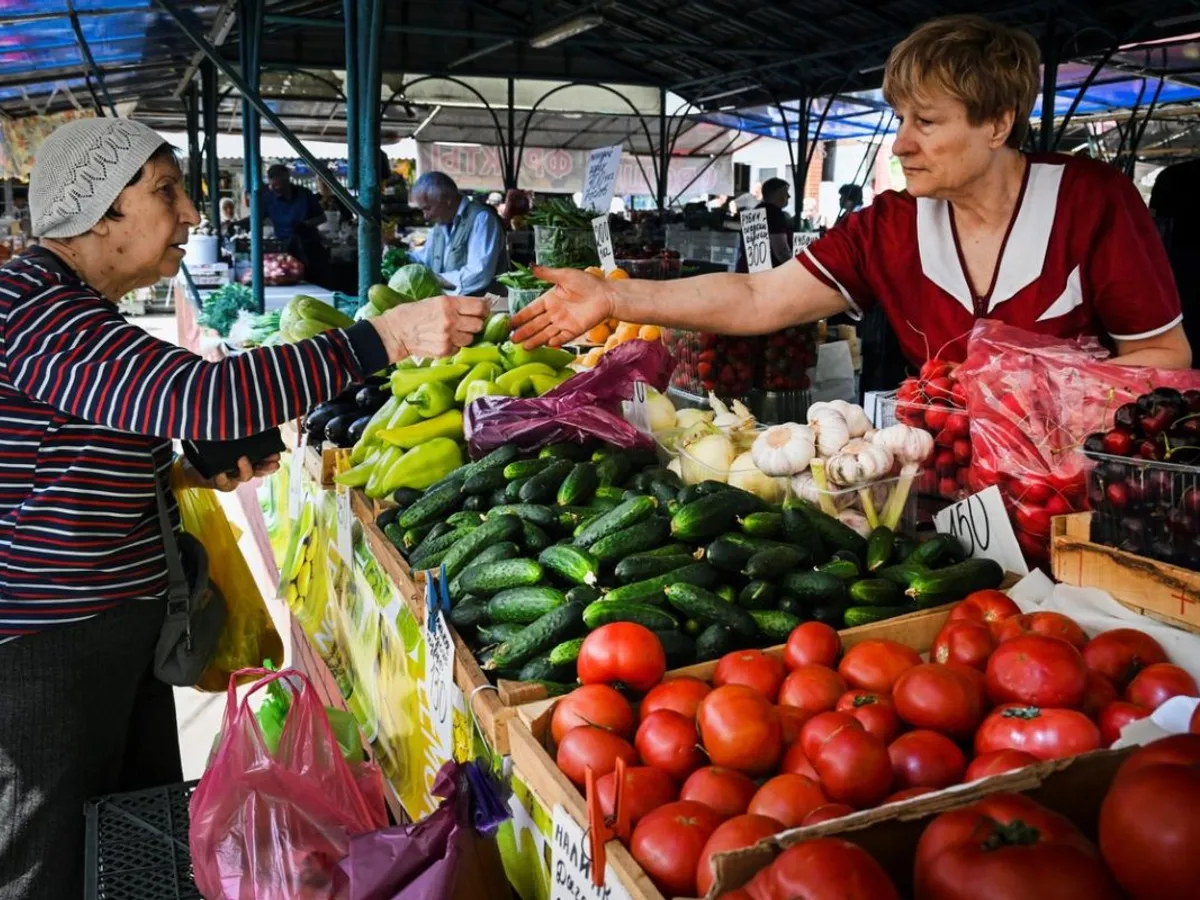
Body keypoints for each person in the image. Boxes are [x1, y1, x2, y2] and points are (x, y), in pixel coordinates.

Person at [0, 117, 485, 899]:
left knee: (128, 837)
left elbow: (69, 454)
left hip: (108, 631)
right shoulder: (33, 308)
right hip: (46, 650)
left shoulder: (71, 310)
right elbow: (207, 393)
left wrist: (186, 471)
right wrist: (379, 340)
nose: (190, 213)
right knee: (47, 859)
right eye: (165, 191)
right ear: (98, 212)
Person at [511, 15, 1191, 371]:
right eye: (899, 120)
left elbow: (1162, 354)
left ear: (997, 123)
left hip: (1075, 505)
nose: (900, 143)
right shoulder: (889, 227)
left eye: (926, 122)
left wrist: (1051, 407)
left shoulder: (1091, 202)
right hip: (951, 500)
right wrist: (615, 294)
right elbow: (759, 297)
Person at [409, 171, 508, 296]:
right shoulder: (439, 226)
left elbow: (478, 274)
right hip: (448, 307)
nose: (426, 216)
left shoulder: (482, 219)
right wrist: (401, 259)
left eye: (428, 208)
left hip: (486, 308)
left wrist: (434, 279)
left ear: (447, 200)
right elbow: (425, 259)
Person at [1149, 158, 1200, 358]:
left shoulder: (1174, 175)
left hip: (1180, 265)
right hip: (1182, 264)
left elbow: (1154, 226)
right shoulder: (1173, 176)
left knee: (1186, 328)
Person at [735, 177, 795, 272]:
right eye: (785, 192)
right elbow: (781, 251)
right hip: (767, 275)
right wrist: (795, 268)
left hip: (747, 270)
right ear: (777, 193)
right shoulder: (774, 213)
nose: (789, 196)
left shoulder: (755, 212)